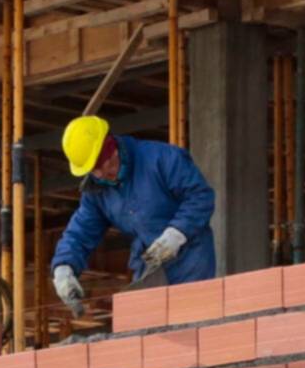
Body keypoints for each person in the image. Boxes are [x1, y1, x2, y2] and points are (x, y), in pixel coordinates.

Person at [51, 116, 215, 315]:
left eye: (103, 164)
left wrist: (177, 233)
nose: (101, 175)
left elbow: (200, 197)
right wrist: (64, 267)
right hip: (149, 264)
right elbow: (80, 232)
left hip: (190, 258)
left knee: (193, 321)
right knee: (147, 330)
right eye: (93, 170)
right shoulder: (97, 192)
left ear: (112, 148)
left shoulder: (161, 159)